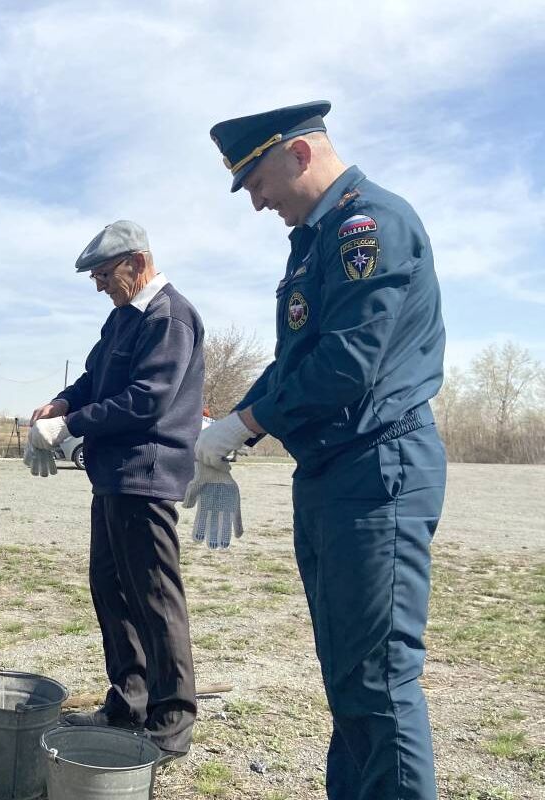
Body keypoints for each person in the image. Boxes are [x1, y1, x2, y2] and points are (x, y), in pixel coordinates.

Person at [197, 101, 446, 799]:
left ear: (299, 155)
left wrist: (245, 423)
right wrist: (236, 424)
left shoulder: (370, 226)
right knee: (347, 672)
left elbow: (346, 363)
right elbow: (294, 361)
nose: (257, 203)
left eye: (257, 183)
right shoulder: (315, 241)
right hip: (337, 475)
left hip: (379, 470)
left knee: (380, 681)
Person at [27, 220, 204, 763]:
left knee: (154, 596)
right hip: (113, 476)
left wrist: (73, 424)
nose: (100, 286)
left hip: (146, 476)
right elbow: (92, 379)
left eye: (105, 274)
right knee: (110, 588)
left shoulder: (168, 317)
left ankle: (171, 721)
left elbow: (146, 399)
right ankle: (128, 701)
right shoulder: (123, 319)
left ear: (139, 262)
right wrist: (62, 403)